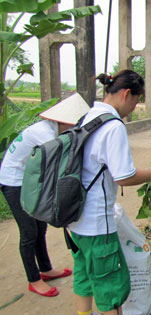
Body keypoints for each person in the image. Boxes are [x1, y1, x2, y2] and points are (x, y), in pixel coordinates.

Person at [67, 70, 151, 315]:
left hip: (73, 215)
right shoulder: (113, 125)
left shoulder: (90, 115)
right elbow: (124, 176)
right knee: (109, 277)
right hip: (95, 220)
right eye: (135, 102)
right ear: (126, 94)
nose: (133, 110)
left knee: (84, 268)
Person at [0, 93, 91, 298]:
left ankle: (46, 269)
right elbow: (60, 163)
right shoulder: (46, 134)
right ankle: (33, 279)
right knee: (29, 231)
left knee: (40, 226)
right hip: (13, 181)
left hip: (27, 180)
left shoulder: (51, 130)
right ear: (64, 121)